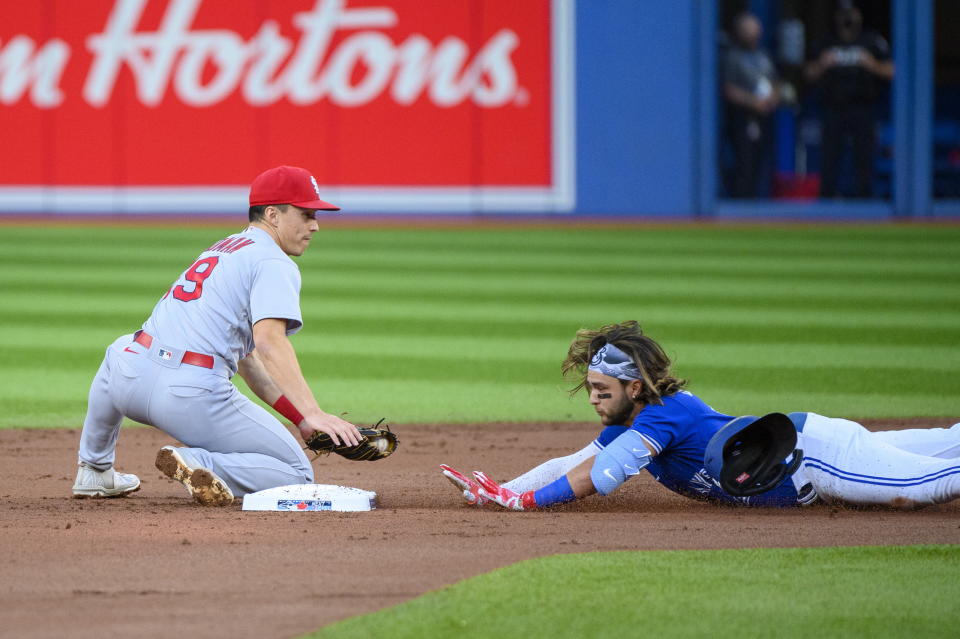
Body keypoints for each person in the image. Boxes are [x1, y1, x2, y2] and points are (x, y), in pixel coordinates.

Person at [72, 165, 363, 505]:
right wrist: (314, 411)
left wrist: (301, 419)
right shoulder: (273, 261)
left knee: (121, 348)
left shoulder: (225, 247)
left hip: (128, 378)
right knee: (297, 473)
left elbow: (249, 361)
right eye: (306, 213)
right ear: (272, 213)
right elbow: (270, 342)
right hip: (188, 396)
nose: (314, 225)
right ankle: (200, 462)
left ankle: (93, 467)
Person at [441, 321, 960, 510]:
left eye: (601, 390)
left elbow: (601, 475)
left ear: (634, 387)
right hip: (811, 448)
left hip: (817, 460)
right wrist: (505, 488)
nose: (594, 400)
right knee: (946, 442)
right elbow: (572, 462)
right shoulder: (640, 423)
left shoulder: (664, 416)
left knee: (922, 488)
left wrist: (523, 502)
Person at [805, 5, 894, 199]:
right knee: (829, 156)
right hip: (833, 108)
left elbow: (891, 71)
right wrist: (822, 63)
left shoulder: (871, 41)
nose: (848, 19)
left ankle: (864, 198)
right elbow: (808, 74)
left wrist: (871, 64)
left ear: (860, 16)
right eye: (844, 15)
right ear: (836, 17)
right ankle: (827, 199)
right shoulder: (825, 41)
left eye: (852, 14)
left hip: (862, 107)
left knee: (864, 155)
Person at [721, 12, 780, 198]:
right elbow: (728, 89)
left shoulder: (764, 56)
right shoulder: (733, 57)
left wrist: (773, 98)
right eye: (747, 29)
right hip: (742, 118)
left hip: (765, 117)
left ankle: (757, 205)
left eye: (754, 29)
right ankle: (740, 207)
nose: (752, 33)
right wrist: (753, 102)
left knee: (761, 164)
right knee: (744, 164)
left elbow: (776, 83)